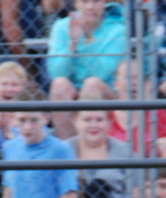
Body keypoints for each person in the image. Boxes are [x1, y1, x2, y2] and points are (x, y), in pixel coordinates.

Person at [46, 0, 127, 138]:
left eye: (96, 1)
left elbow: (100, 73)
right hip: (71, 91)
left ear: (104, 3)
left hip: (105, 91)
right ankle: (68, 146)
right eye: (84, 1)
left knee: (92, 84)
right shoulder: (61, 27)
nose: (90, 7)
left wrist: (85, 42)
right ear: (76, 4)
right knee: (60, 84)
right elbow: (56, 72)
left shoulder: (118, 31)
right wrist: (72, 44)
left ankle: (89, 144)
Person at [108, 59, 166, 160]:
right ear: (116, 84)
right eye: (128, 78)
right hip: (113, 168)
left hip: (149, 168)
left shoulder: (157, 114)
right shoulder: (106, 116)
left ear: (145, 84)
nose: (133, 82)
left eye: (137, 78)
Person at [0, 60, 28, 148]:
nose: (9, 89)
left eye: (15, 85)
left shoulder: (30, 118)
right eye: (4, 84)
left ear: (23, 90)